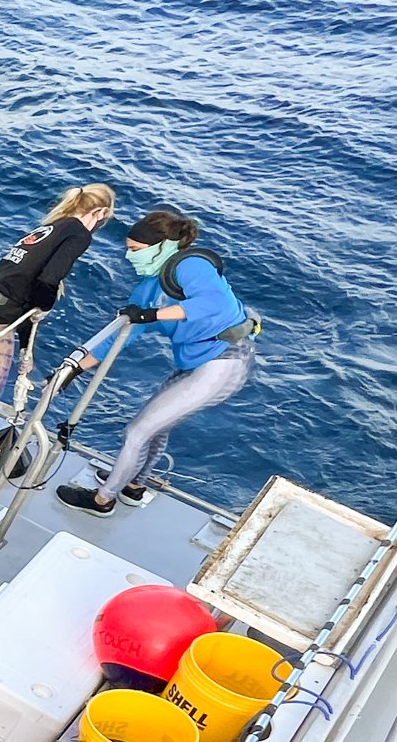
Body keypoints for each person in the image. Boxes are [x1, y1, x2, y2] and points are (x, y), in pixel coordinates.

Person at [56, 209, 260, 516]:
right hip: (192, 364)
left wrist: (152, 315)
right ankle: (133, 484)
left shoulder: (191, 264)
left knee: (137, 432)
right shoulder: (149, 287)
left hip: (224, 362)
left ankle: (103, 500)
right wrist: (72, 370)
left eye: (135, 250)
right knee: (155, 428)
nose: (129, 257)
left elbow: (213, 303)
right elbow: (122, 337)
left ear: (163, 245)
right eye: (127, 249)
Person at [0, 185, 115, 480]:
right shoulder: (79, 233)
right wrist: (47, 305)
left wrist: (27, 348)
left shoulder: (53, 226)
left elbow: (25, 288)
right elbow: (47, 281)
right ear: (99, 213)